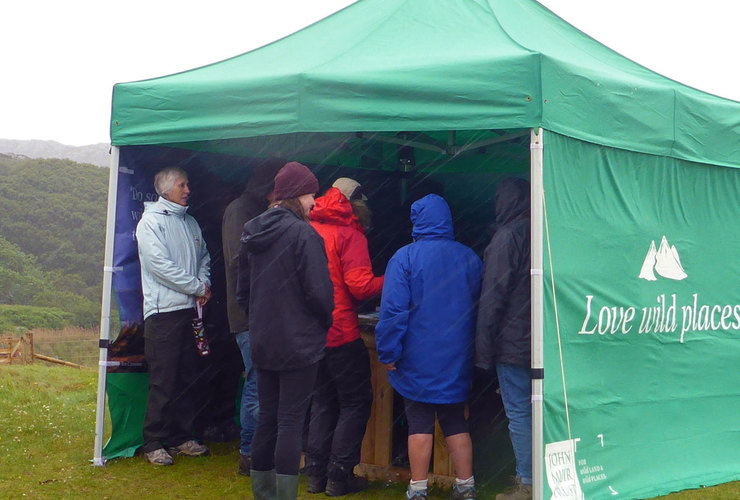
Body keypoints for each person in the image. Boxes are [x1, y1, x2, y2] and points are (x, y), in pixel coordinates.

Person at [237, 161, 334, 500]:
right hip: (299, 344)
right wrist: (321, 322)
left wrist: (262, 319)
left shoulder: (252, 231)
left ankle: (264, 495)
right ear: (296, 195)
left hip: (264, 341)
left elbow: (242, 291)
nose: (314, 202)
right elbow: (320, 293)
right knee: (290, 422)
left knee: (267, 420)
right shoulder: (304, 234)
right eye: (311, 195)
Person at [375, 194, 482, 500]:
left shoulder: (404, 257)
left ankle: (418, 489)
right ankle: (466, 486)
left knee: (419, 421)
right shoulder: (470, 258)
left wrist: (388, 352)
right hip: (456, 355)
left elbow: (393, 312)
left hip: (416, 356)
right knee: (454, 420)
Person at [304, 178, 384, 496]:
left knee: (323, 402)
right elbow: (360, 286)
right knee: (355, 402)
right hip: (341, 331)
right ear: (356, 203)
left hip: (311, 332)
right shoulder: (350, 234)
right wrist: (392, 279)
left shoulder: (309, 227)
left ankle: (315, 474)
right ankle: (339, 476)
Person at [135, 166, 212, 466]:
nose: (188, 190)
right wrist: (196, 286)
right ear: (165, 190)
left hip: (190, 311)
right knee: (163, 380)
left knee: (187, 377)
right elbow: (159, 265)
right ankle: (153, 442)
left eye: (188, 184)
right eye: (182, 185)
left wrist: (204, 284)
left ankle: (182, 438)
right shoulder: (150, 223)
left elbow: (204, 256)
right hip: (162, 314)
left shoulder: (191, 222)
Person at [222, 159, 284, 475]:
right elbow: (238, 261)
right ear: (268, 188)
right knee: (258, 383)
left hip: (259, 312)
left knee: (263, 382)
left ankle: (259, 450)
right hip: (247, 314)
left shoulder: (252, 209)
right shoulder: (239, 211)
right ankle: (249, 453)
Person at [474, 177, 532, 500]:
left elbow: (492, 297)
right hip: (539, 342)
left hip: (511, 345)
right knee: (538, 410)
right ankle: (545, 476)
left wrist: (483, 352)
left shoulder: (506, 237)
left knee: (519, 413)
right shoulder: (541, 231)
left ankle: (527, 484)